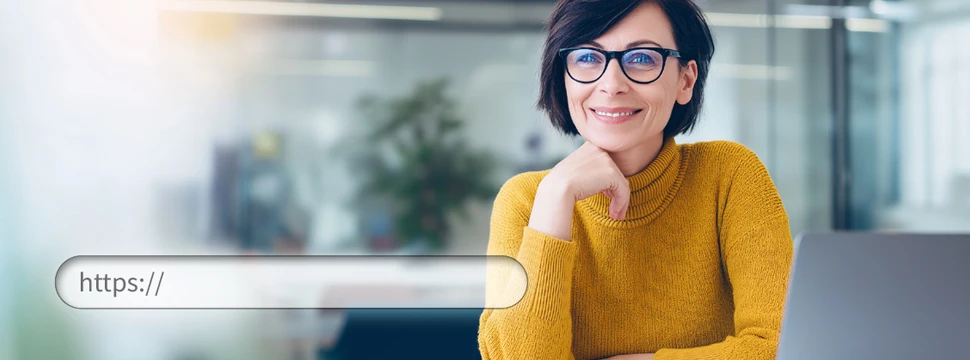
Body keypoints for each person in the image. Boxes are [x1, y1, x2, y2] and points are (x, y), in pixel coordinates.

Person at [477, 0, 793, 359]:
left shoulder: (730, 175)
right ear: (562, 76)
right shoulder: (528, 200)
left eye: (642, 58)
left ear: (685, 80)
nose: (611, 85)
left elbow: (783, 346)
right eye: (586, 57)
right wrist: (554, 200)